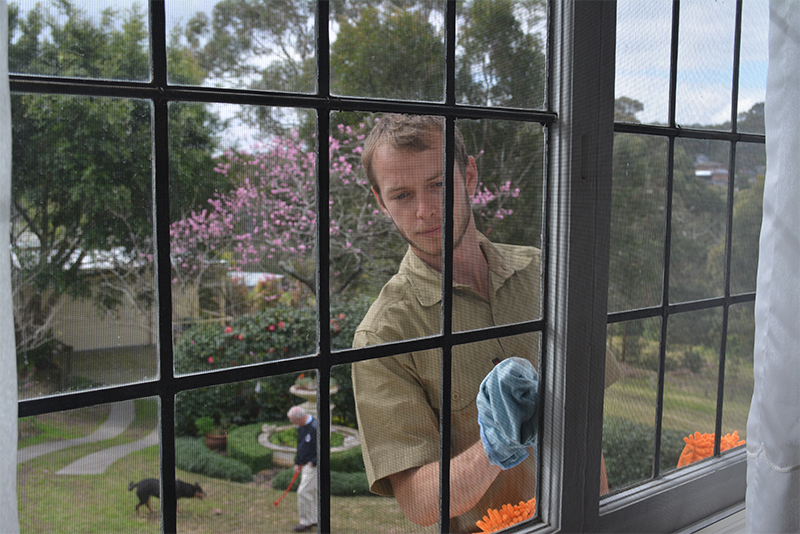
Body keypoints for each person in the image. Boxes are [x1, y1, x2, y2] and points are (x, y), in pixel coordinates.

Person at [351, 114, 622, 533]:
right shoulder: (382, 336)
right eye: (402, 195)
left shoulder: (548, 275)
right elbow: (420, 504)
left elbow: (589, 433)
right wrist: (493, 449)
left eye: (439, 185)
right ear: (381, 202)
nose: (425, 211)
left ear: (470, 175)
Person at [287, 405, 317, 532]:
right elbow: (301, 446)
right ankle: (315, 518)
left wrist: (313, 462)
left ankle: (305, 522)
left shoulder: (315, 428)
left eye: (294, 421)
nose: (294, 424)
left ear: (299, 418)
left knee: (303, 492)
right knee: (312, 492)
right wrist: (297, 463)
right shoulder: (301, 427)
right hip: (304, 465)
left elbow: (324, 449)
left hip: (314, 466)